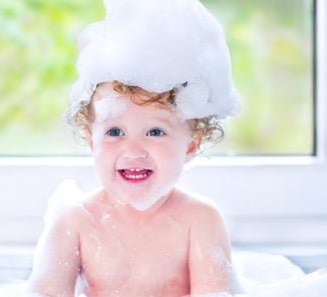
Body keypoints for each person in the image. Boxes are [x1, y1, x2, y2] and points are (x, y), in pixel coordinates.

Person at [28, 0, 241, 296]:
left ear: (191, 146)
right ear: (92, 141)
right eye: (114, 131)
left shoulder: (199, 220)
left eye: (155, 131)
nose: (133, 149)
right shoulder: (75, 221)